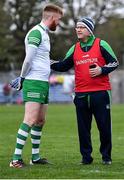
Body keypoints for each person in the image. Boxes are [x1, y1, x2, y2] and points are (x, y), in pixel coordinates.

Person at [51, 17, 118, 165]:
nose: (78, 29)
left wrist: (102, 69)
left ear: (89, 30)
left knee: (104, 127)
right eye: (77, 27)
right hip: (81, 94)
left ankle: (106, 157)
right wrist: (46, 62)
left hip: (100, 93)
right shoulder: (74, 48)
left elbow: (114, 62)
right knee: (83, 129)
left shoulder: (101, 44)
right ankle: (86, 158)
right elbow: (63, 66)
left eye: (81, 27)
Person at [10, 3, 63, 168]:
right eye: (59, 20)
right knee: (30, 119)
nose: (59, 23)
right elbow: (28, 59)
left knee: (40, 120)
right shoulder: (36, 33)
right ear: (51, 18)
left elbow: (42, 59)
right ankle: (15, 159)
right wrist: (22, 78)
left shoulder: (45, 34)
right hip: (33, 82)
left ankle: (35, 157)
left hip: (43, 82)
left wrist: (61, 63)